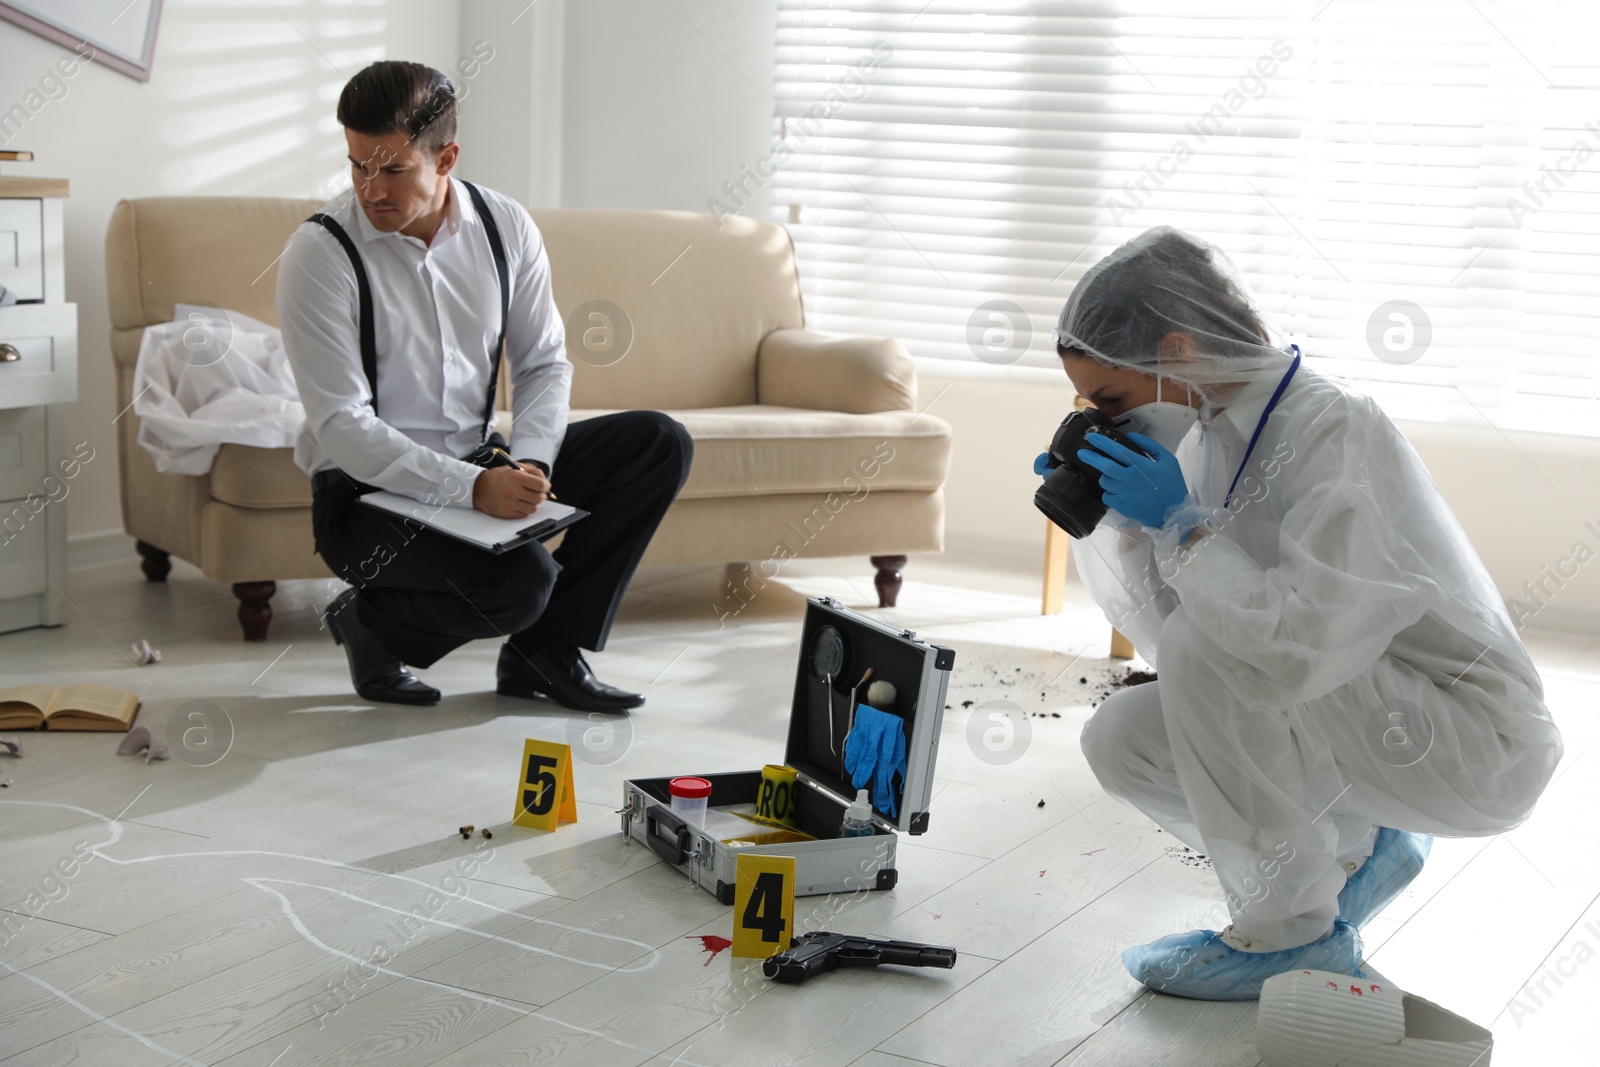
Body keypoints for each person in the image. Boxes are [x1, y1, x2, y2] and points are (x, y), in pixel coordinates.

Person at [1048, 227, 1563, 1001]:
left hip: (1470, 740)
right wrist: (1129, 520)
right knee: (1122, 738)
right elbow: (1184, 646)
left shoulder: (1332, 427)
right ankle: (1356, 851)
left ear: (1178, 351)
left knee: (1209, 639)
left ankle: (1289, 936)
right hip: (1365, 714)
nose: (1106, 419)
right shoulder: (1209, 432)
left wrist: (1183, 528)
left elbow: (1300, 647)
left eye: (1112, 400)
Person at [276, 61, 692, 710]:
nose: (369, 189)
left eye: (392, 170)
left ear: (446, 158)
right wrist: (473, 489)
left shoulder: (505, 227)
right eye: (358, 166)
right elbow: (341, 425)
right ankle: (370, 625)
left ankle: (543, 656)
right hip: (364, 496)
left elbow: (545, 364)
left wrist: (529, 462)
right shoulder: (321, 254)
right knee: (521, 585)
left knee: (657, 442)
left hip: (480, 458)